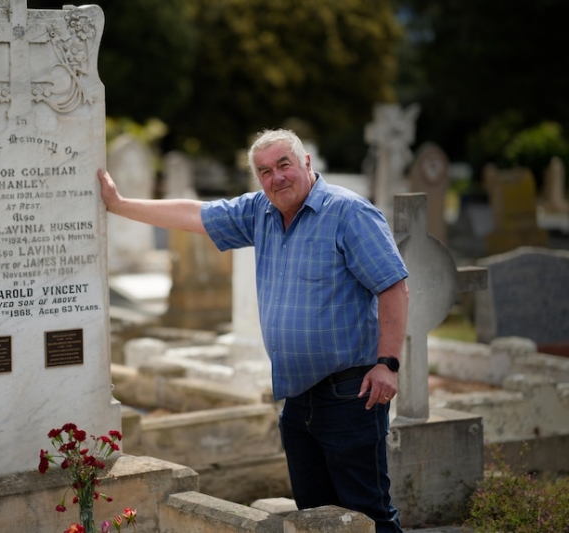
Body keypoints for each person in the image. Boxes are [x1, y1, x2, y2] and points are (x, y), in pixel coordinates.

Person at [97, 128, 409, 533]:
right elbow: (195, 215)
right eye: (264, 171)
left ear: (306, 164)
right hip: (297, 398)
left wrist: (387, 364)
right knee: (316, 514)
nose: (276, 178)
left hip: (351, 394)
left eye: (284, 165)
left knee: (369, 513)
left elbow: (393, 287)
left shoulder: (349, 213)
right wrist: (118, 205)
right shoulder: (259, 212)